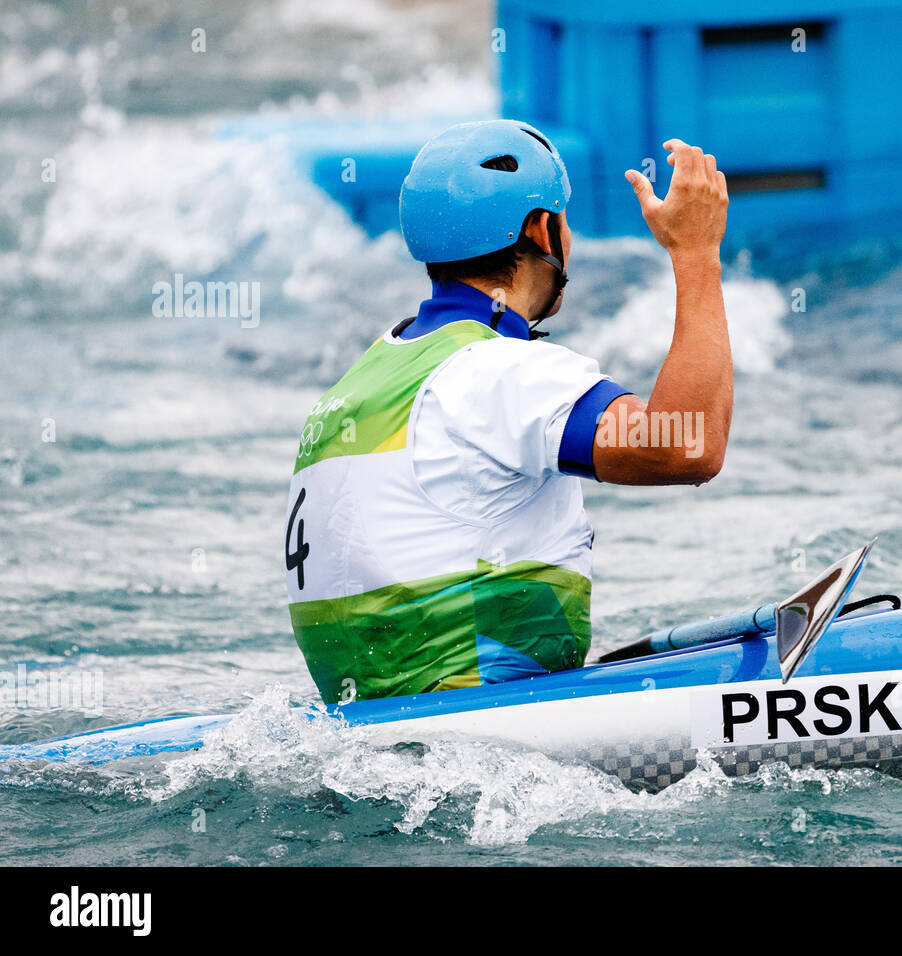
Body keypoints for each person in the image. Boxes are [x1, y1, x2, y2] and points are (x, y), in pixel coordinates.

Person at [283, 119, 732, 703]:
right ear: (542, 230)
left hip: (369, 733)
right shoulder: (495, 371)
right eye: (564, 221)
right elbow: (687, 446)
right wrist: (696, 253)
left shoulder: (359, 381)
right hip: (483, 738)